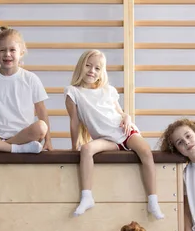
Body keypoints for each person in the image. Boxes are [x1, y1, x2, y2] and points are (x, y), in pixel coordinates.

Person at [65, 50, 164, 218]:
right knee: (87, 150)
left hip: (124, 132)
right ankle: (87, 196)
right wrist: (74, 145)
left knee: (145, 152)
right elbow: (74, 121)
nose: (92, 71)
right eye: (88, 66)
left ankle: (153, 200)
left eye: (97, 68)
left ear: (102, 72)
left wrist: (127, 117)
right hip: (106, 139)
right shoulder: (73, 92)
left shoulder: (107, 90)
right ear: (80, 66)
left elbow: (121, 112)